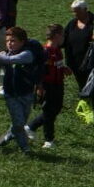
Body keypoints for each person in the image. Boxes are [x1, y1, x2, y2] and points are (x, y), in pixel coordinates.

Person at [0, 27, 41, 153]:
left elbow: (10, 61)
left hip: (26, 93)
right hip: (11, 94)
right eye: (7, 41)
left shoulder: (27, 54)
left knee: (20, 122)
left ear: (22, 42)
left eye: (13, 41)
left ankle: (8, 135)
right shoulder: (5, 54)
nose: (9, 43)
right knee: (19, 123)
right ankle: (25, 148)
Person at [30, 18, 67, 150]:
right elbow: (39, 71)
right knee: (49, 112)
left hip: (58, 84)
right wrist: (39, 87)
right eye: (63, 34)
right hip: (47, 85)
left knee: (56, 109)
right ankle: (48, 140)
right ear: (57, 35)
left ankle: (31, 127)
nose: (64, 37)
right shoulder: (45, 51)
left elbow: (58, 65)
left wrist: (64, 69)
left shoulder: (58, 51)